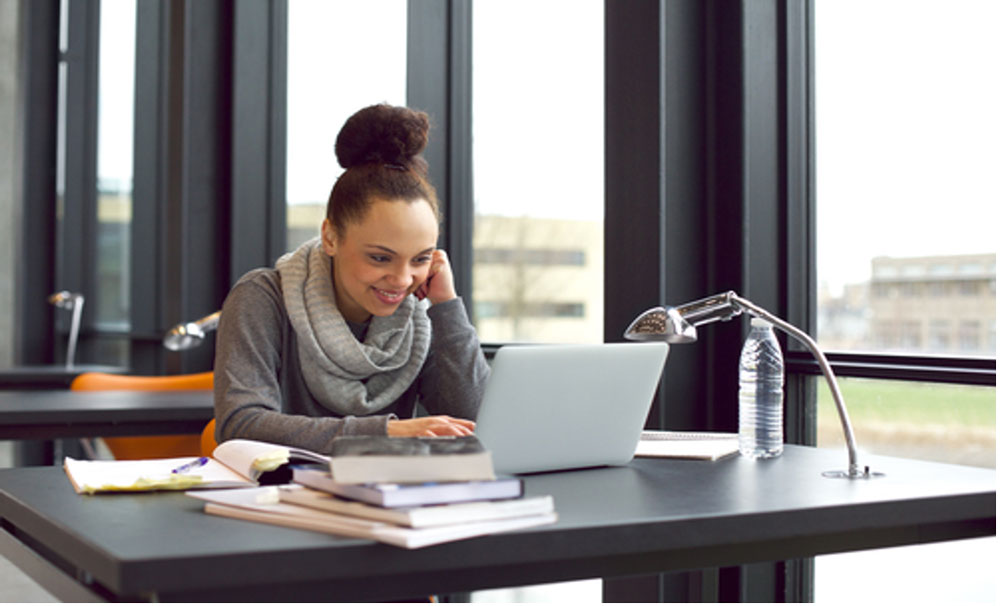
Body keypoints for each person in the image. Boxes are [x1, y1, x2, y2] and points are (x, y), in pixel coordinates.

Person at [213, 104, 489, 452]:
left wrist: (447, 306)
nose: (403, 280)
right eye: (380, 257)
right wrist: (386, 433)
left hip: (388, 495)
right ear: (330, 237)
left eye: (420, 259)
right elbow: (241, 423)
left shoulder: (420, 316)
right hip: (283, 494)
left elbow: (478, 420)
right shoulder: (263, 296)